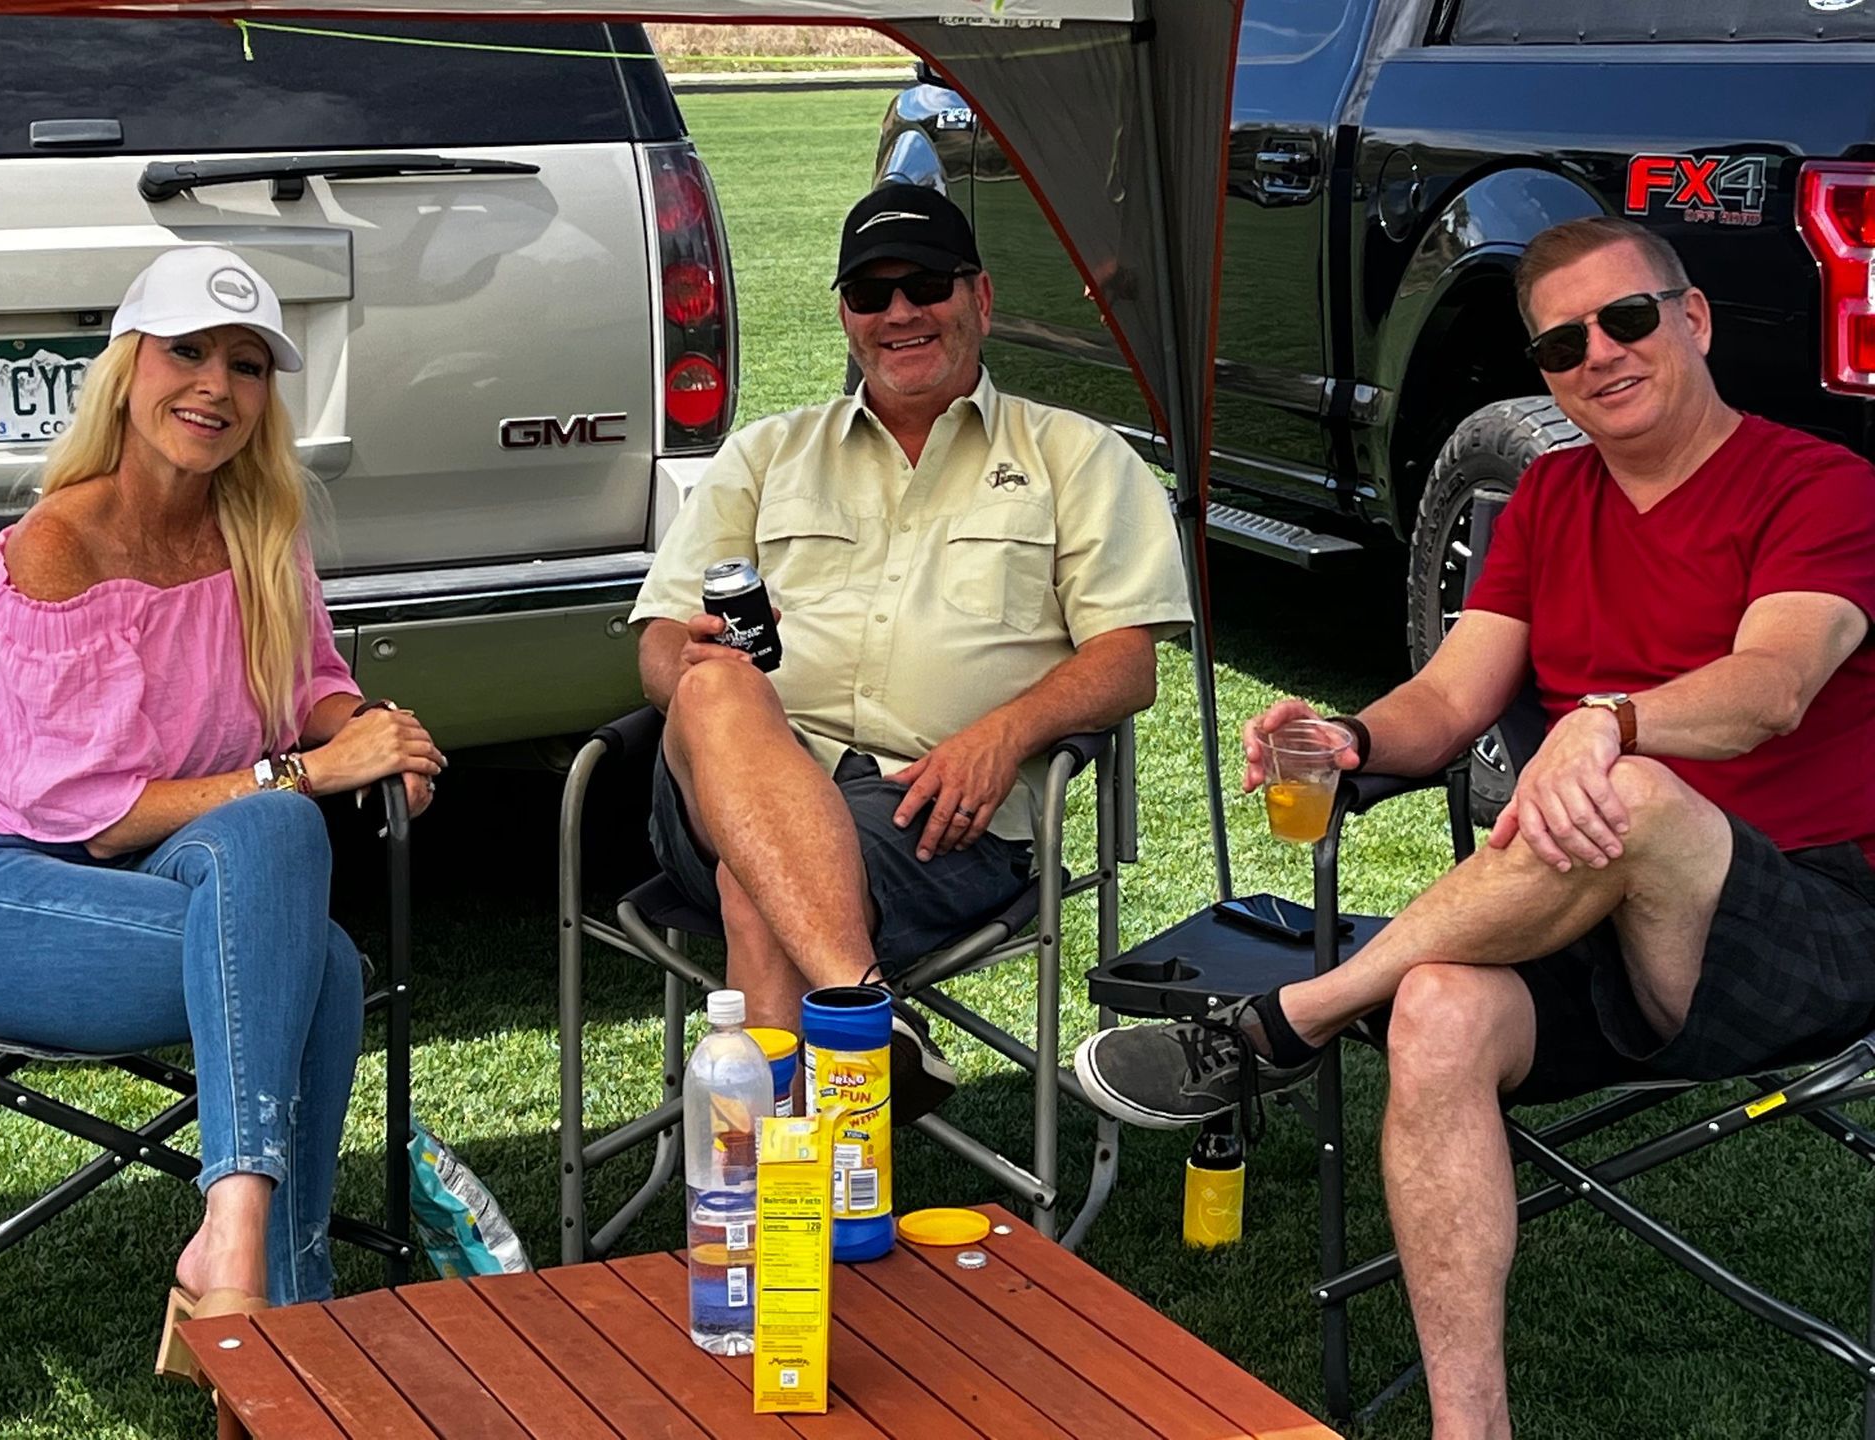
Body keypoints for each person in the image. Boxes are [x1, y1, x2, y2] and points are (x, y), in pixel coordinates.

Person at [1074, 216, 1875, 1438]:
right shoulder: (1551, 496)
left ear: (1694, 317)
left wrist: (1605, 723)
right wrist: (1348, 742)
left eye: (1627, 319)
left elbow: (1773, 684)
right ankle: (1470, 1428)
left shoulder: (1822, 484)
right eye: (1560, 344)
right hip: (1595, 920)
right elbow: (1450, 701)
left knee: (1633, 795)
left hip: (1802, 927)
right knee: (1443, 1012)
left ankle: (1293, 1020)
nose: (1597, 355)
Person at [0, 248, 446, 1371]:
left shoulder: (259, 531)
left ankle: (236, 1241)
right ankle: (290, 1297)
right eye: (186, 352)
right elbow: (90, 814)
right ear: (127, 371)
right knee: (308, 949)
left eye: (247, 364)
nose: (216, 388)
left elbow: (310, 680)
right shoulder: (57, 545)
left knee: (279, 841)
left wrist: (368, 727)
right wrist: (316, 772)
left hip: (154, 881)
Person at [630, 184, 1192, 1120]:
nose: (898, 313)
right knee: (714, 688)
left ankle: (769, 1228)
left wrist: (1004, 734)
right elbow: (657, 646)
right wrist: (681, 663)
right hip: (729, 783)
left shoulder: (1077, 457)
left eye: (925, 284)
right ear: (845, 315)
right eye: (870, 293)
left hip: (935, 812)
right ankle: (859, 1011)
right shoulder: (767, 454)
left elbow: (1127, 662)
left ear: (981, 297)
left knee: (756, 882)